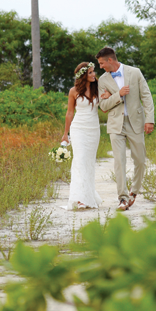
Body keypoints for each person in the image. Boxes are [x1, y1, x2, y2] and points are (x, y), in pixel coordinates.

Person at [96, 47, 155, 211]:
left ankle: (133, 192)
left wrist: (150, 119)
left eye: (101, 63)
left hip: (135, 121)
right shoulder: (103, 80)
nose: (100, 67)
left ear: (110, 60)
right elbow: (104, 106)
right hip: (116, 124)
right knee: (119, 161)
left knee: (140, 160)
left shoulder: (135, 72)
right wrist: (118, 95)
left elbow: (146, 96)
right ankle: (122, 198)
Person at [61, 62, 113, 210]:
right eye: (90, 72)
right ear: (83, 75)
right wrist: (66, 134)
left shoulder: (98, 88)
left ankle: (88, 196)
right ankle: (79, 199)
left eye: (93, 71)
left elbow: (103, 110)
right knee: (80, 160)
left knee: (89, 163)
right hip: (78, 129)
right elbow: (70, 113)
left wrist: (108, 96)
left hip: (93, 130)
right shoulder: (74, 91)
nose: (93, 74)